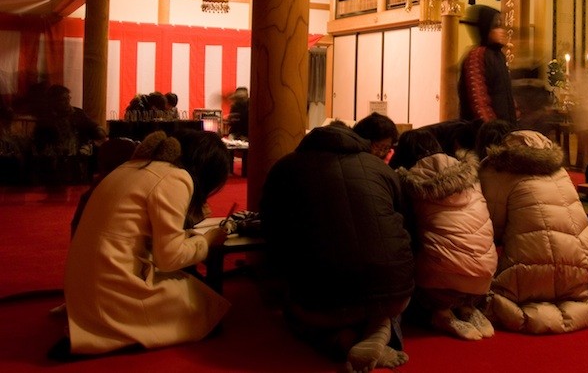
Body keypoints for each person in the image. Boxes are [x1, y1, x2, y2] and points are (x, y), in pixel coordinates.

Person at [57, 130, 231, 357]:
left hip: (82, 285)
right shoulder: (176, 177)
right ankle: (114, 332)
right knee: (207, 305)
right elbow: (170, 258)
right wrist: (207, 241)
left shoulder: (131, 167)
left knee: (195, 289)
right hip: (111, 292)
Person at [260, 121, 414, 372]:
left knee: (289, 308)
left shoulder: (285, 167)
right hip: (396, 295)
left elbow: (272, 228)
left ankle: (343, 340)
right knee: (387, 285)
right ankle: (382, 326)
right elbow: (402, 223)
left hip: (324, 304)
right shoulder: (381, 168)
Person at [479, 130, 588, 334]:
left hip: (528, 273)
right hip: (580, 266)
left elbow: (493, 228)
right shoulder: (559, 171)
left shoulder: (499, 172)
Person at [395, 129, 497, 340]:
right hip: (484, 277)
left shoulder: (409, 180)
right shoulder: (468, 173)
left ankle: (441, 313)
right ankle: (468, 308)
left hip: (439, 281)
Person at [458, 5, 517, 125]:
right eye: (496, 26)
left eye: (502, 26)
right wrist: (493, 130)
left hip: (504, 130)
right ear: (485, 28)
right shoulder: (476, 56)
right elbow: (478, 100)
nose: (501, 31)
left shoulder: (499, 55)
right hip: (484, 134)